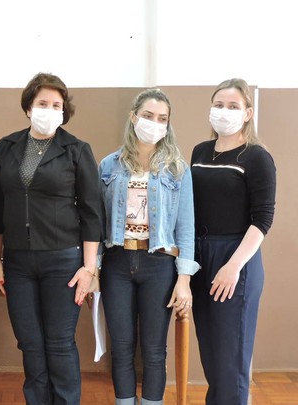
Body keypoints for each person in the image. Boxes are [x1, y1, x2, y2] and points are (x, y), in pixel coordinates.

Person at [0, 72, 102, 405]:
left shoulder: (77, 150)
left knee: (59, 343)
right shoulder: (7, 147)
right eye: (42, 103)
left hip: (63, 260)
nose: (49, 110)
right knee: (30, 345)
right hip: (18, 262)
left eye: (56, 105)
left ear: (64, 111)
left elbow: (92, 213)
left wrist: (88, 268)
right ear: (28, 107)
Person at [98, 88, 199, 405]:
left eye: (162, 118)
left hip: (159, 265)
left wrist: (184, 280)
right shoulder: (109, 165)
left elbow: (186, 227)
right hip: (116, 263)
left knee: (155, 350)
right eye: (148, 115)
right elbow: (97, 221)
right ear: (133, 117)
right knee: (121, 347)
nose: (154, 123)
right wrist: (94, 268)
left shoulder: (177, 169)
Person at [190, 78, 276, 405]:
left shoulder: (256, 157)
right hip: (200, 255)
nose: (224, 111)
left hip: (235, 257)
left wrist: (233, 267)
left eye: (233, 106)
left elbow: (262, 219)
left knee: (231, 361)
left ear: (247, 113)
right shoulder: (200, 151)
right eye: (219, 105)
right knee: (212, 357)